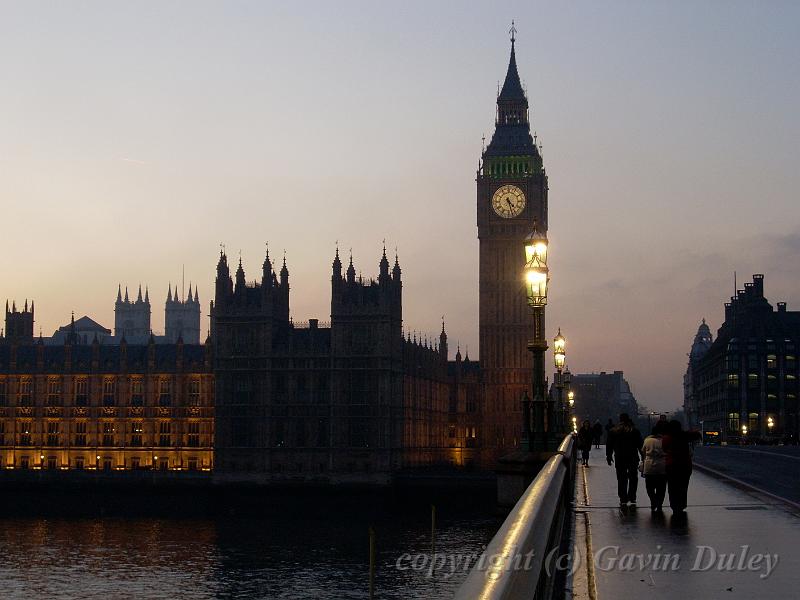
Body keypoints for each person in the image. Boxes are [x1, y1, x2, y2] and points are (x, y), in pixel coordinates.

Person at [662, 420, 701, 513]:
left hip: (671, 465)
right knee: (683, 486)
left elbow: (664, 449)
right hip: (685, 464)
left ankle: (674, 505)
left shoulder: (667, 438)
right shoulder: (685, 436)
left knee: (672, 486)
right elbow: (696, 435)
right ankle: (682, 504)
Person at [606, 413, 644, 506]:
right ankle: (632, 496)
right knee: (633, 477)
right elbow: (640, 445)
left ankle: (623, 496)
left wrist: (609, 456)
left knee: (621, 477)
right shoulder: (634, 431)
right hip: (632, 456)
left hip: (619, 456)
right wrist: (643, 456)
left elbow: (609, 445)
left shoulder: (614, 431)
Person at [641, 421, 667, 513]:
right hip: (662, 466)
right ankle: (659, 503)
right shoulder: (664, 440)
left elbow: (643, 452)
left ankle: (653, 500)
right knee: (661, 487)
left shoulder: (647, 440)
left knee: (649, 487)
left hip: (649, 466)